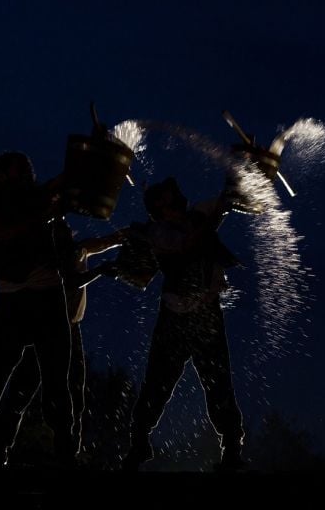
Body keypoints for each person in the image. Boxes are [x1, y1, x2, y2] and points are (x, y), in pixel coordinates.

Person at [116, 177, 245, 471]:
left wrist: (243, 173)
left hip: (206, 313)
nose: (177, 196)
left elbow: (233, 199)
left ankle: (232, 449)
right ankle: (138, 443)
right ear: (159, 208)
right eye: (169, 195)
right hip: (175, 317)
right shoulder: (159, 233)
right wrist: (214, 216)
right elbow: (188, 245)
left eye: (175, 192)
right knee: (158, 382)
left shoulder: (199, 213)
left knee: (219, 382)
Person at [0, 152, 77, 467]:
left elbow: (65, 180)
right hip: (13, 302)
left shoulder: (38, 198)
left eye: (28, 171)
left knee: (57, 381)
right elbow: (6, 232)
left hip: (48, 297)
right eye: (19, 172)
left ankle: (65, 455)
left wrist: (93, 153)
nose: (27, 175)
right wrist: (45, 210)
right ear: (1, 177)